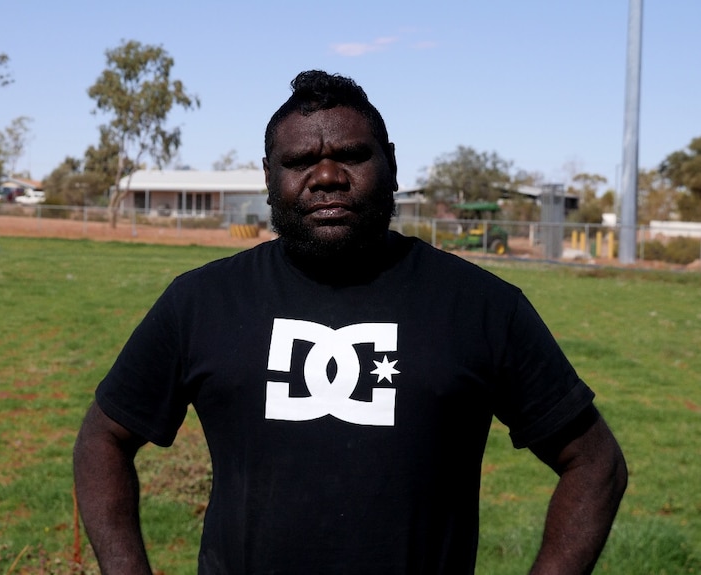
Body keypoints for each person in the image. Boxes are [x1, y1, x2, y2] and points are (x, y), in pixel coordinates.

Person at [73, 70, 627, 574]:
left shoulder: (481, 306)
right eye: (299, 162)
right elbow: (104, 438)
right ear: (269, 176)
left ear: (390, 163)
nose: (327, 176)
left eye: (352, 155)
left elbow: (594, 462)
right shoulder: (201, 301)